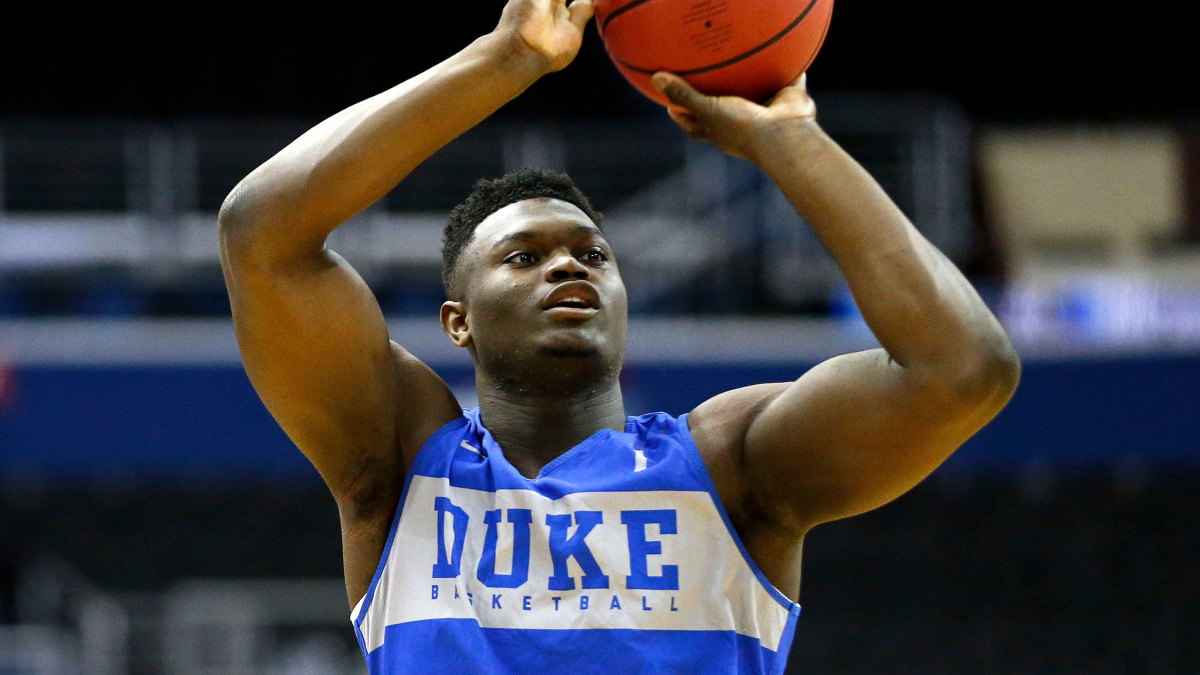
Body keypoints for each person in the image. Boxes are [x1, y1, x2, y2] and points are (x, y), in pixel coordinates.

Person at [217, 0, 1020, 672]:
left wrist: (792, 140)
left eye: (593, 254)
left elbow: (964, 368)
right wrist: (504, 61)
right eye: (524, 256)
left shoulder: (730, 465)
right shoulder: (398, 461)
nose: (569, 267)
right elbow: (262, 235)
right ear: (456, 321)